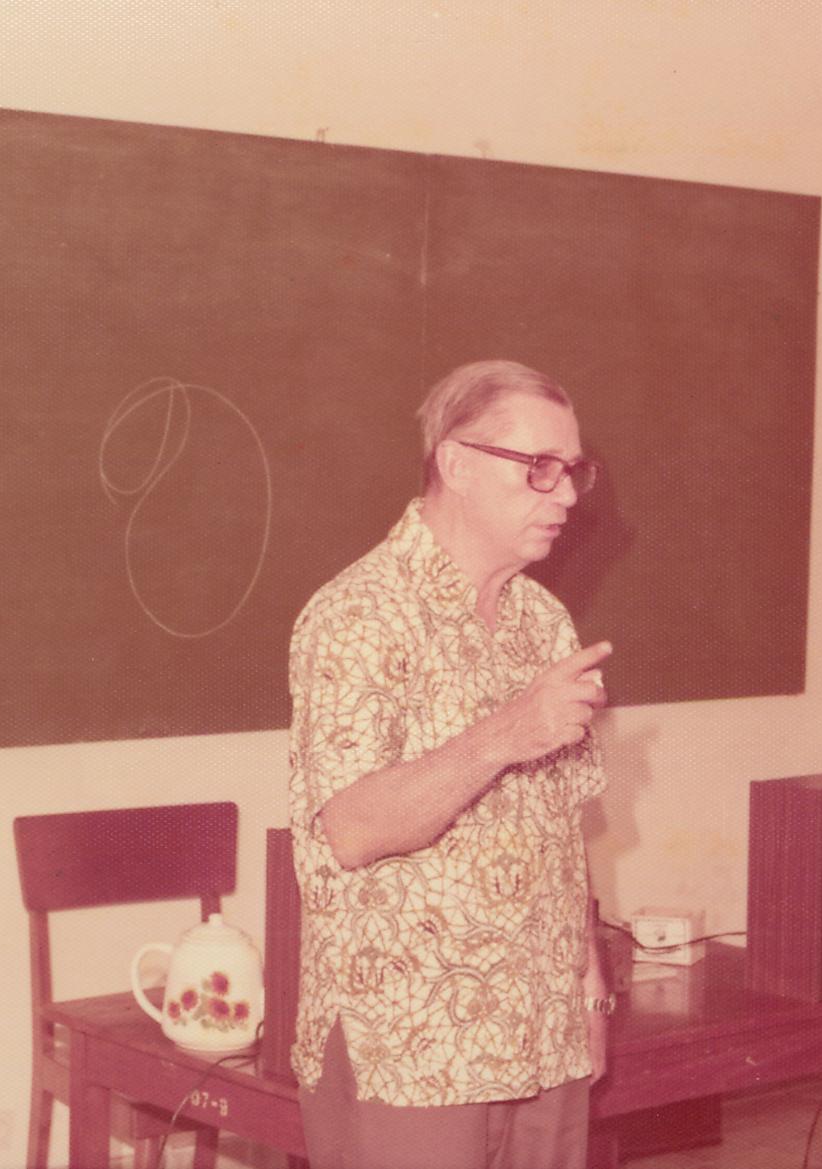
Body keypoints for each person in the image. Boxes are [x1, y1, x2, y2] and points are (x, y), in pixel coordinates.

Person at [287, 359, 614, 1169]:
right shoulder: (358, 614)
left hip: (541, 1027)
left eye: (572, 470)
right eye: (539, 467)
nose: (566, 495)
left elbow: (560, 825)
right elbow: (352, 828)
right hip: (411, 1043)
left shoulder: (544, 620)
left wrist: (589, 982)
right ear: (457, 463)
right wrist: (506, 732)